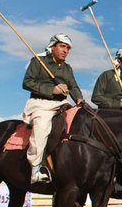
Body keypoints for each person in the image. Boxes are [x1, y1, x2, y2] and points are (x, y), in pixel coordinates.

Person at [23, 33, 84, 183]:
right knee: (42, 127)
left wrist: (79, 99)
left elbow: (73, 86)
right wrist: (52, 90)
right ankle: (35, 169)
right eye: (62, 46)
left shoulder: (67, 68)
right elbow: (27, 83)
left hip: (61, 105)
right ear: (52, 47)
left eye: (68, 48)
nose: (66, 51)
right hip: (40, 104)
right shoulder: (38, 62)